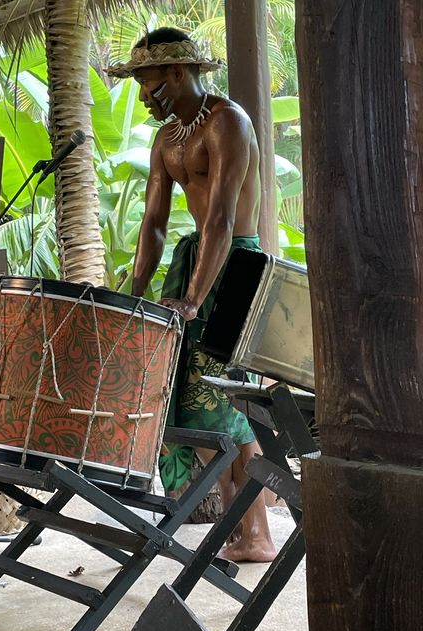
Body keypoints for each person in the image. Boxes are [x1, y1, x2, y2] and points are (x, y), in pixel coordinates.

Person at [107, 28, 276, 563]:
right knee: (191, 405)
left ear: (178, 73)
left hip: (234, 267)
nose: (142, 97)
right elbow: (154, 223)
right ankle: (239, 529)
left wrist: (196, 300)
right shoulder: (169, 138)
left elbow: (223, 220)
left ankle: (259, 532)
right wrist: (134, 296)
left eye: (149, 85)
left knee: (229, 401)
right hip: (194, 267)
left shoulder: (228, 120)